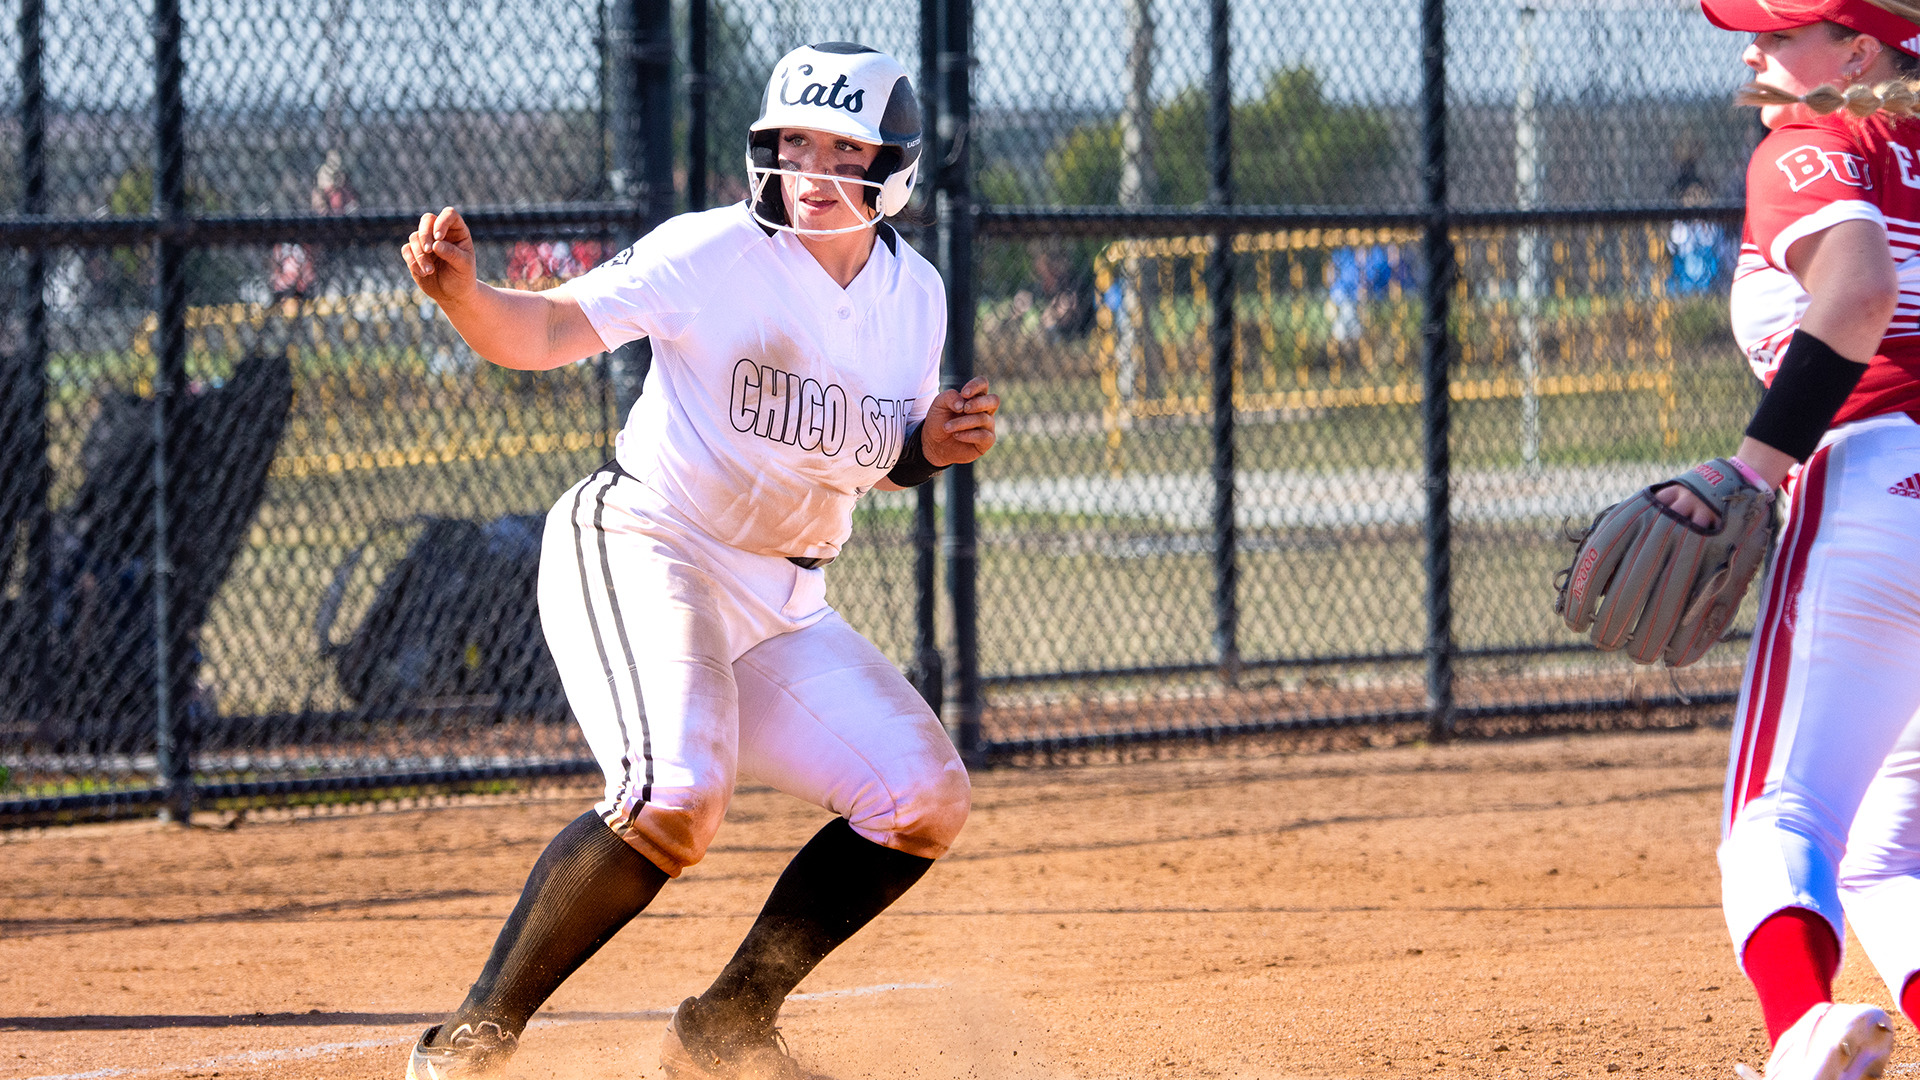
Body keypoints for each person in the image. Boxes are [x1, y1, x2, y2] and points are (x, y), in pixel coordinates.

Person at [396, 42, 997, 1080]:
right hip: (648, 543)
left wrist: (930, 444)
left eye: (841, 150)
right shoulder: (714, 252)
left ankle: (726, 1024)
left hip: (783, 599)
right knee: (674, 794)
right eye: (792, 143)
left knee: (921, 795)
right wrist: (466, 298)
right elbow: (545, 329)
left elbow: (872, 452)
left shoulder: (916, 293)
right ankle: (466, 1046)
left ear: (894, 167)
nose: (810, 170)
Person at [1659, 1, 1920, 1076]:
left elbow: (1858, 294)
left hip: (1876, 482)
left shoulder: (1814, 139)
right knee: (1890, 853)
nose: (1753, 49)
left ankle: (1802, 1030)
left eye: (1782, 30)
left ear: (1857, 53)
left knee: (1780, 812)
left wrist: (1753, 467)